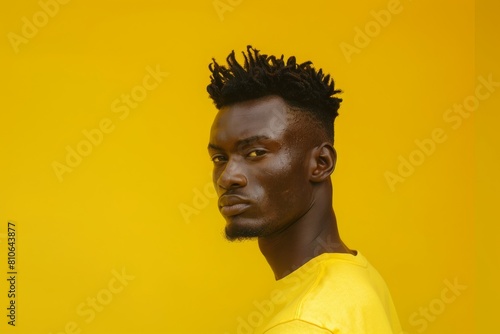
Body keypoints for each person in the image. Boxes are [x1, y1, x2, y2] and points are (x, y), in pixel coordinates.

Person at [206, 46, 402, 333]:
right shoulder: (356, 276)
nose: (227, 177)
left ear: (321, 163)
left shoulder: (306, 322)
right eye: (219, 158)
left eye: (256, 153)